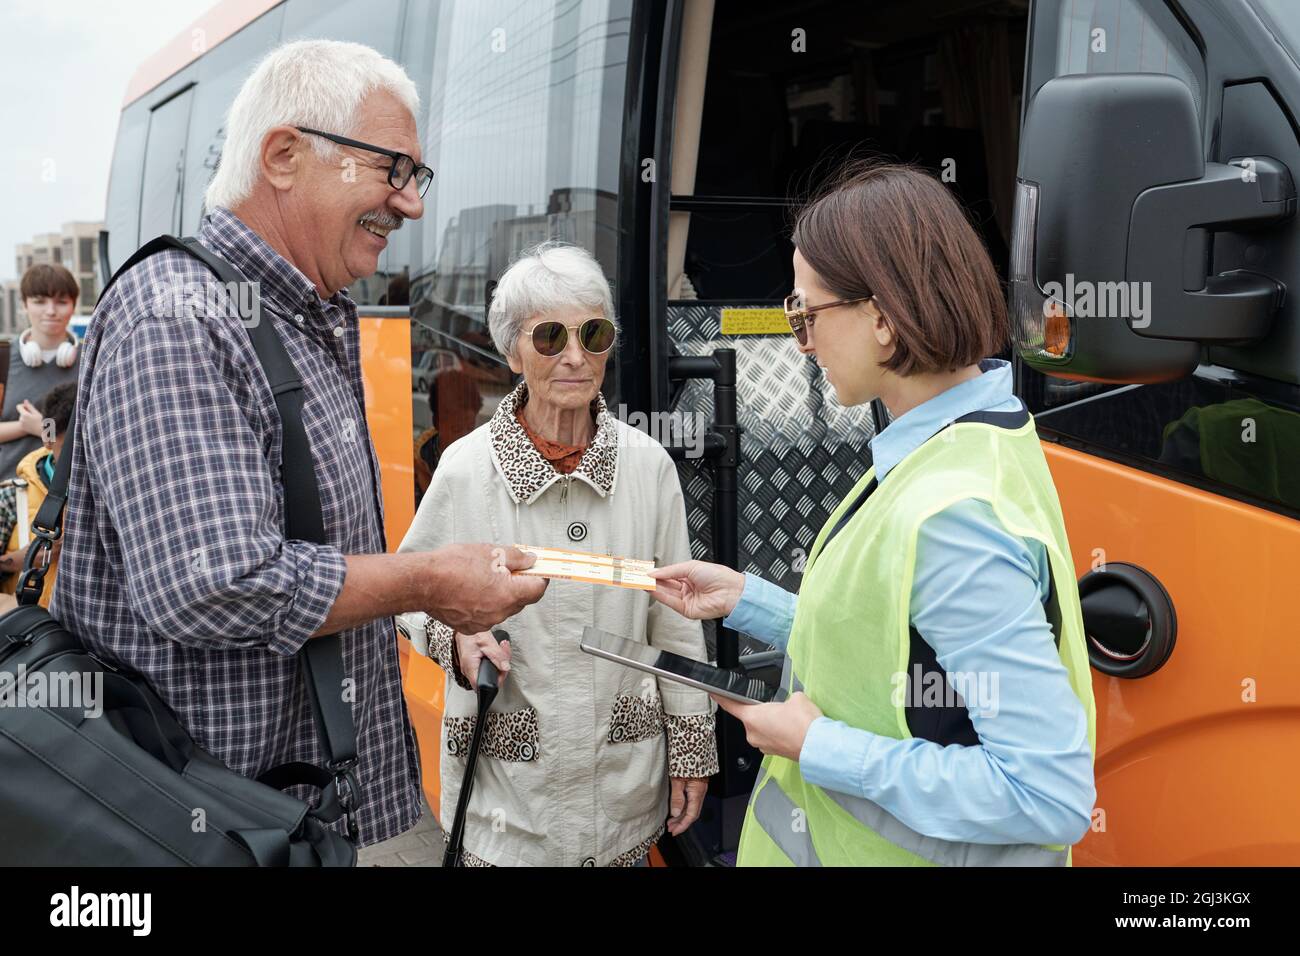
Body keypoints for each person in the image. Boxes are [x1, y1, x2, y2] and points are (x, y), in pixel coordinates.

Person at [50, 39, 545, 847]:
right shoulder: (183, 317)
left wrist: (435, 607)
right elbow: (213, 585)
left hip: (296, 819)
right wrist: (428, 583)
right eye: (393, 169)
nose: (411, 205)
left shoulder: (302, 312)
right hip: (212, 827)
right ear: (283, 156)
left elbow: (316, 555)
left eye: (416, 178)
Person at [651, 161, 1097, 866]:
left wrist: (814, 746)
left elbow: (1047, 794)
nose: (803, 342)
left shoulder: (953, 516)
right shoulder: (977, 437)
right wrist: (750, 602)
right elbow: (899, 645)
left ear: (884, 320)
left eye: (805, 315)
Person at [396, 241, 719, 866]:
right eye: (550, 338)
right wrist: (456, 641)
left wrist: (691, 751)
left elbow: (675, 622)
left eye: (593, 334)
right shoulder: (466, 468)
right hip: (507, 808)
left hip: (621, 796)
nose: (575, 356)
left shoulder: (648, 467)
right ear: (513, 351)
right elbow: (410, 596)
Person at [0, 264, 82, 479]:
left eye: (61, 302)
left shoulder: (92, 360)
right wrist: (23, 426)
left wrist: (43, 429)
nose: (51, 311)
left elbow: (95, 435)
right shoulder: (4, 359)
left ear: (74, 305)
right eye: (39, 301)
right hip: (10, 495)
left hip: (70, 497)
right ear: (24, 304)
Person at [0, 381, 76, 606]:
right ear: (48, 439)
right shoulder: (11, 497)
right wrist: (19, 561)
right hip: (29, 634)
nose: (79, 463)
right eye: (70, 452)